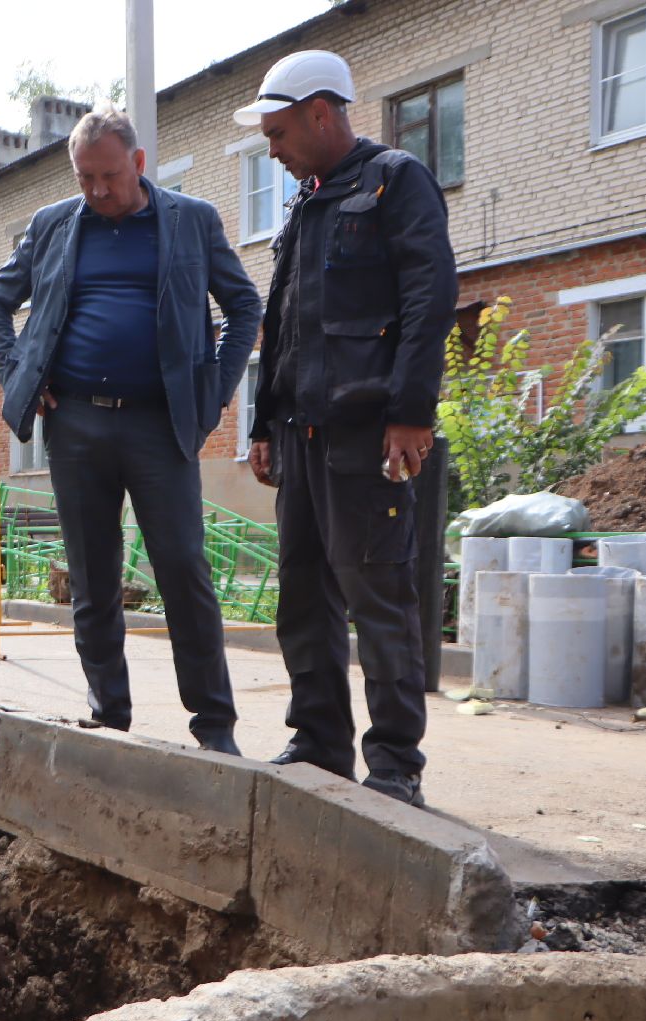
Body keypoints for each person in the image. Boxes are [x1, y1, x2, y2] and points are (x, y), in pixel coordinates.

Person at [0, 107, 262, 754]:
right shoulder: (52, 225)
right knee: (92, 576)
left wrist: (214, 393)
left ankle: (215, 730)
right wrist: (20, 368)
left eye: (108, 176)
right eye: (85, 179)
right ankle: (110, 717)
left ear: (136, 163)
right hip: (74, 424)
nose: (97, 191)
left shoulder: (192, 220)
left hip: (161, 427)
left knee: (184, 569)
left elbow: (244, 304)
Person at [234, 50, 458, 806]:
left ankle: (395, 764)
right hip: (301, 434)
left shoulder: (395, 181)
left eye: (278, 132)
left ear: (321, 113)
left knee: (378, 593)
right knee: (302, 596)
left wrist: (410, 413)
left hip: (369, 433)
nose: (272, 149)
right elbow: (283, 325)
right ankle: (320, 743)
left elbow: (431, 300)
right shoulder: (306, 203)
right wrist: (263, 422)